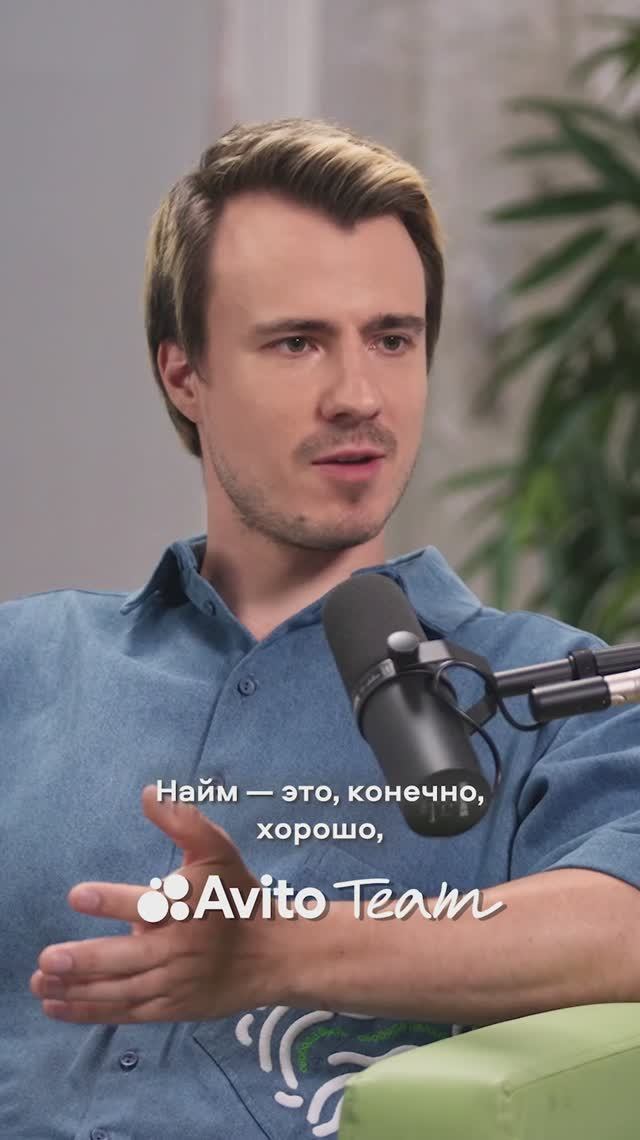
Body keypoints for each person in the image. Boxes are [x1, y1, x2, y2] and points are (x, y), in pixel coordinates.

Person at [2, 116, 639, 1140]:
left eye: (392, 339)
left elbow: (625, 926)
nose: (358, 396)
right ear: (184, 375)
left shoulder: (555, 689)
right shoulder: (28, 663)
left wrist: (274, 951)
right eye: (297, 342)